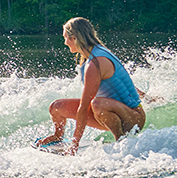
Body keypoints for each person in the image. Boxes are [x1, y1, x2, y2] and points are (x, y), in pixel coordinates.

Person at [36, 17, 146, 150]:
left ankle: (121, 142)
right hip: (112, 112)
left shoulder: (96, 62)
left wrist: (74, 144)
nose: (65, 42)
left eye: (65, 37)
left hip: (133, 120)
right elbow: (119, 81)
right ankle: (58, 136)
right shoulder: (92, 55)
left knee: (97, 104)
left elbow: (83, 107)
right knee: (56, 106)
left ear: (75, 38)